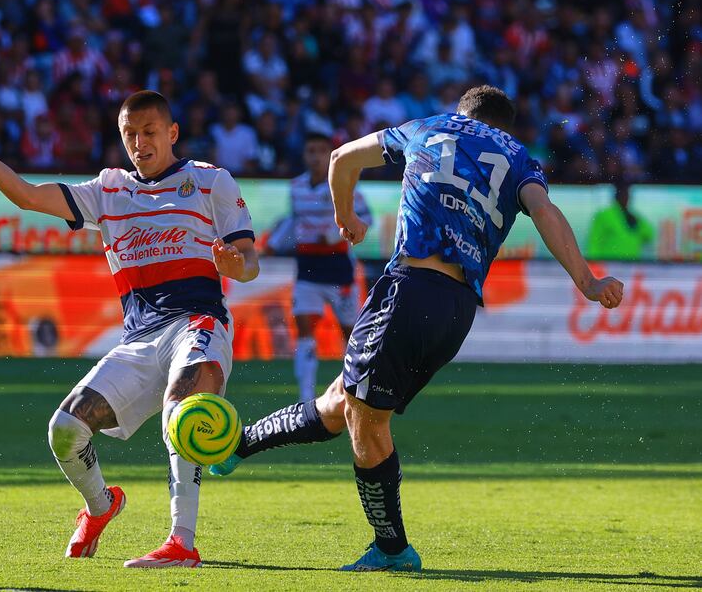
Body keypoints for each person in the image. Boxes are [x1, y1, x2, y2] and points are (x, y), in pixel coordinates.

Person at [211, 85, 624, 571]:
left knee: (365, 417)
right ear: (502, 126)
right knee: (344, 401)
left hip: (410, 288)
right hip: (458, 310)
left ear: (462, 112)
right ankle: (240, 446)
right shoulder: (516, 156)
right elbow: (546, 213)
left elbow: (343, 158)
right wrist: (588, 281)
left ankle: (392, 549)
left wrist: (346, 218)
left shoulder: (430, 127)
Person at [0, 87, 258, 568]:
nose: (139, 143)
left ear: (172, 133)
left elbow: (249, 262)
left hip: (197, 323)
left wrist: (234, 266)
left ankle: (181, 541)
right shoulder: (107, 191)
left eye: (149, 132)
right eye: (130, 134)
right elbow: (24, 195)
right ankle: (101, 506)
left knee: (180, 413)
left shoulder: (209, 182)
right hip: (140, 339)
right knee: (65, 430)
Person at [268, 132, 371, 401]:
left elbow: (366, 217)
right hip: (308, 266)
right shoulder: (296, 187)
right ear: (304, 155)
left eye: (320, 151)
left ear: (329, 154)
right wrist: (275, 241)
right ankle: (305, 397)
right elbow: (294, 219)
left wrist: (339, 233)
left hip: (338, 267)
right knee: (304, 326)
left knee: (350, 333)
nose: (315, 157)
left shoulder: (343, 184)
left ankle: (356, 391)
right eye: (310, 151)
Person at [586, 181, 654, 260]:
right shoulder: (604, 215)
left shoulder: (633, 216)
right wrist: (594, 263)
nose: (625, 198)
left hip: (632, 264)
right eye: (622, 194)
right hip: (609, 264)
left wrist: (639, 223)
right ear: (616, 196)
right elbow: (594, 241)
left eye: (627, 195)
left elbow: (649, 235)